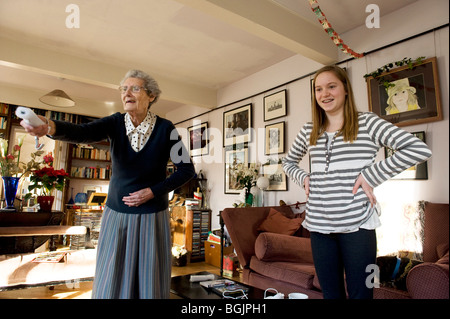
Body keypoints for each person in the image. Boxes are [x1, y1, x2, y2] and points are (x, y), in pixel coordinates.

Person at [20, 69, 196, 299]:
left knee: (149, 281)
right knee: (111, 278)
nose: (126, 93)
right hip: (117, 215)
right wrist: (49, 127)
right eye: (123, 89)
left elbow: (186, 169)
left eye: (134, 88)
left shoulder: (165, 128)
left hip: (153, 215)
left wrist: (153, 192)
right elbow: (83, 132)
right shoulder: (115, 122)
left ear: (151, 96)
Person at [282, 65, 432, 299]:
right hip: (319, 225)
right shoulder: (309, 130)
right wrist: (304, 177)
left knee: (361, 293)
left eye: (332, 86)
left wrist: (370, 175)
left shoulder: (368, 123)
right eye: (318, 89)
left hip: (358, 225)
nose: (325, 93)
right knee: (331, 295)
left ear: (345, 90)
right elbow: (288, 162)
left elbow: (417, 148)